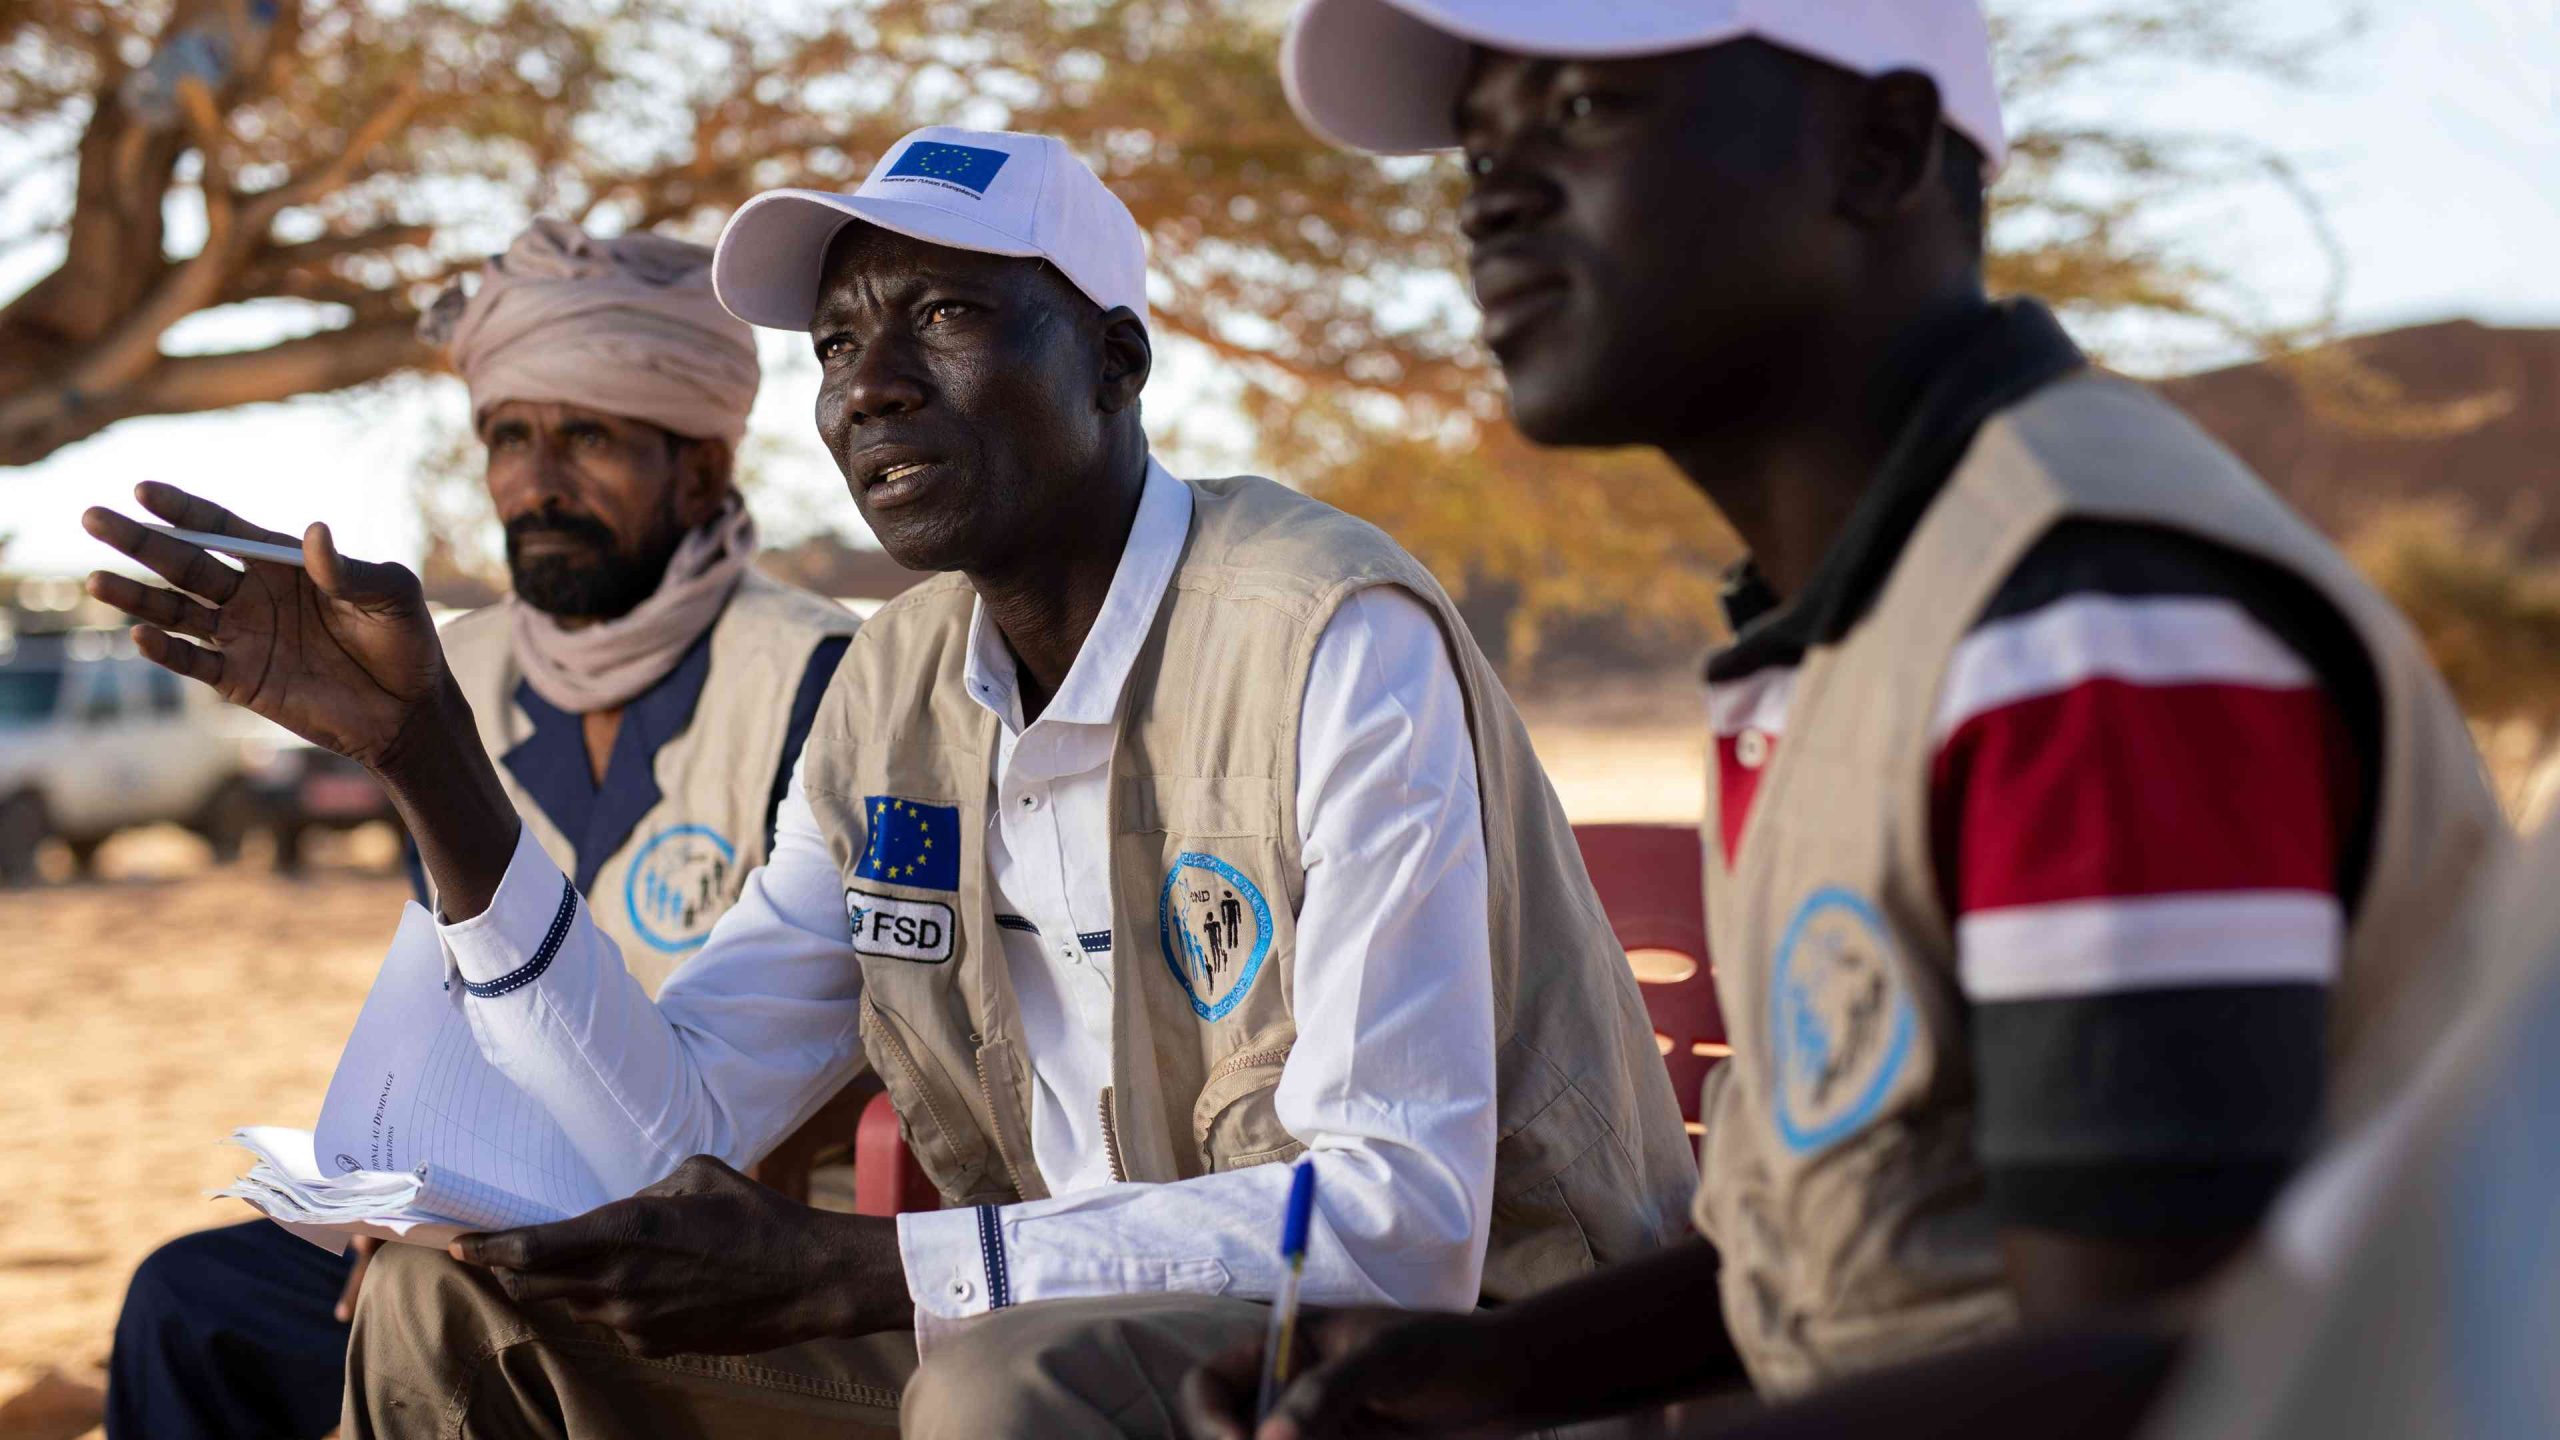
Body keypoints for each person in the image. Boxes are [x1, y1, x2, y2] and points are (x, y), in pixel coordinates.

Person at [82, 125, 1695, 1440]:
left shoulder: (1325, 635)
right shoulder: (894, 694)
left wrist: (874, 1270)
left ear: (1117, 362)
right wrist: (430, 754)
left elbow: (1400, 1227)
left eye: (948, 317)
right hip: (1052, 1346)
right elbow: (675, 1127)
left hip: (1436, 1376)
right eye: (840, 343)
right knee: (448, 1313)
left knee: (996, 1387)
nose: (870, 386)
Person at [1178, 2, 2511, 1434]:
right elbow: (1843, 1256)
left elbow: (2162, 1378)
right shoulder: (1865, 623)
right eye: (1480, 150)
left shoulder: (2084, 622)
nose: (1488, 201)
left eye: (1580, 111)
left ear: (1879, 148)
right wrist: (1490, 1372)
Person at [98, 219, 860, 1440]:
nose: (537, 483)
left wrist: (515, 1228)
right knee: (191, 1304)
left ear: (702, 470)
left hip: (740, 1226)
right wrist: (409, 1203)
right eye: (509, 437)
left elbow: (833, 1046)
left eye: (588, 438)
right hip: (489, 1210)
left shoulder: (823, 676)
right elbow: (454, 994)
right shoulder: (455, 666)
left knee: (441, 1314)